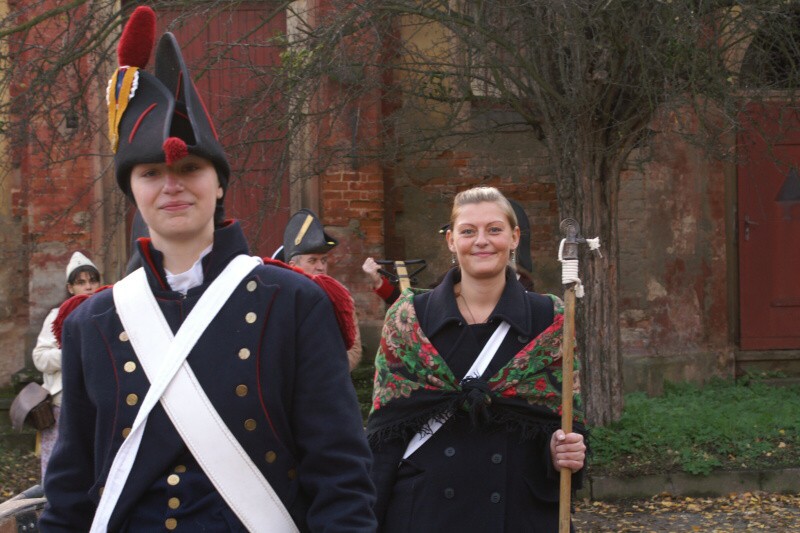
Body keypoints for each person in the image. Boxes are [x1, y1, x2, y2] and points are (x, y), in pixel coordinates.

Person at [39, 7, 375, 532]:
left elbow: (340, 473)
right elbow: (70, 486)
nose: (172, 185)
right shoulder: (92, 321)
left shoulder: (293, 302)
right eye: (151, 173)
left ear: (219, 184)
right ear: (133, 191)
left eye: (190, 168)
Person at [366, 186, 586, 532]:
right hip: (425, 513)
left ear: (513, 238)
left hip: (518, 512)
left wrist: (563, 452)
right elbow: (385, 434)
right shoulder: (409, 318)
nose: (481, 240)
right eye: (468, 231)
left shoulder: (550, 318)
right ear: (452, 241)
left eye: (494, 229)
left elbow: (562, 422)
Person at [32, 251, 101, 480]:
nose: (89, 287)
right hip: (64, 403)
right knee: (58, 464)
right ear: (70, 288)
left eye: (92, 281)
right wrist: (73, 352)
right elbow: (40, 357)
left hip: (101, 401)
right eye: (81, 282)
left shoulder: (109, 311)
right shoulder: (56, 316)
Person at [280, 208, 363, 371]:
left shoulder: (340, 298)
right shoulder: (279, 297)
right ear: (293, 266)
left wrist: (329, 373)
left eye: (323, 260)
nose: (320, 267)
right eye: (312, 260)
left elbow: (354, 349)